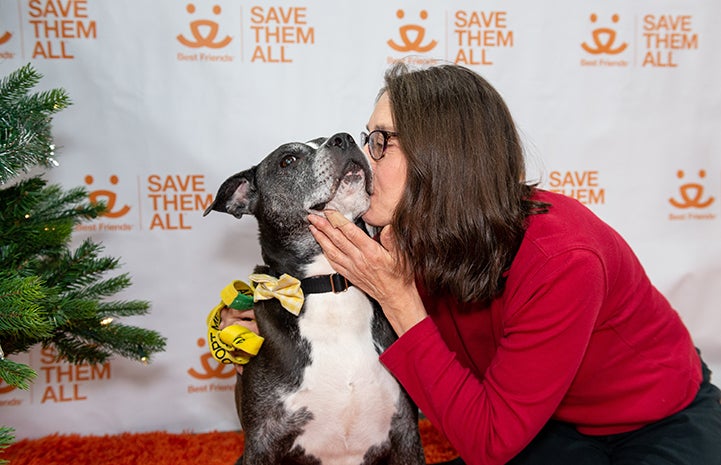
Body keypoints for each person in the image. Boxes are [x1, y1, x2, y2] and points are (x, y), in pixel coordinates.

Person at [223, 62, 721, 465]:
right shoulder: (405, 231)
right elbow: (322, 295)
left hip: (658, 417)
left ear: (442, 158)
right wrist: (262, 312)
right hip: (544, 424)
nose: (363, 159)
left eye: (380, 142)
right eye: (365, 137)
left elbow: (487, 442)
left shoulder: (565, 258)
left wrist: (399, 299)